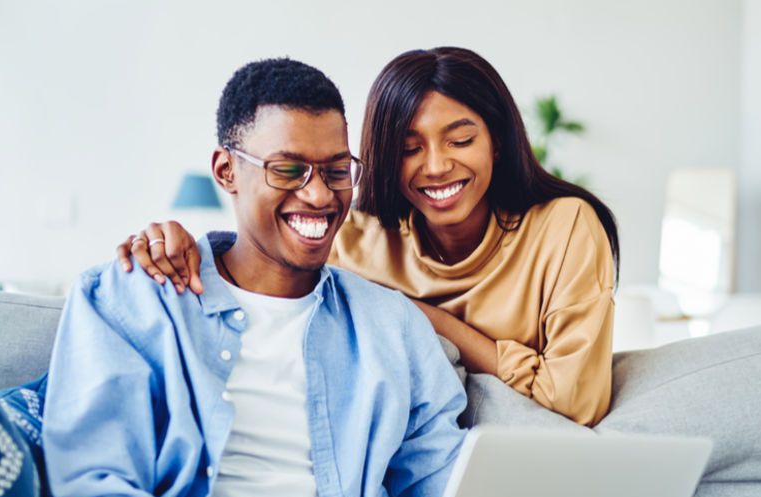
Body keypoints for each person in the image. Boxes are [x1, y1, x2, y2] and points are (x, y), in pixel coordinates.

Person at [42, 58, 470, 497]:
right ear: (227, 171)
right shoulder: (135, 298)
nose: (318, 195)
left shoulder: (391, 326)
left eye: (336, 171)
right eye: (287, 169)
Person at [120, 47, 619, 427]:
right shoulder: (354, 238)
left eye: (461, 140)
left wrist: (427, 319)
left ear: (498, 144)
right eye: (409, 148)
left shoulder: (565, 228)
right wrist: (184, 246)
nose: (436, 166)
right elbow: (263, 271)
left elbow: (575, 401)